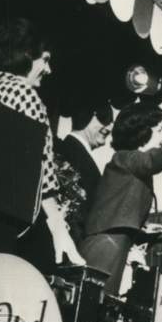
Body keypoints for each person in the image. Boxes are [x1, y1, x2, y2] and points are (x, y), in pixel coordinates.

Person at [0, 18, 84, 273]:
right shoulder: (25, 94)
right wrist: (59, 227)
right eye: (45, 59)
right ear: (27, 55)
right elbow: (41, 168)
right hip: (11, 219)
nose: (48, 70)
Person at [81, 96, 162, 294]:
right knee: (94, 303)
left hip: (111, 243)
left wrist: (143, 228)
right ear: (143, 132)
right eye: (159, 130)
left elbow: (119, 208)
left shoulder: (128, 162)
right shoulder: (127, 158)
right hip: (106, 246)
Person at [55, 100, 113, 243]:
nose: (110, 127)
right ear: (85, 116)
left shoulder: (71, 151)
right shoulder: (71, 153)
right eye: (104, 118)